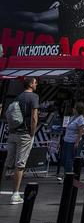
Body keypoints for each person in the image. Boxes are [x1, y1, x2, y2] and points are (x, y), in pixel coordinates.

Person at [6, 77, 39, 205]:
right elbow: (34, 117)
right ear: (31, 84)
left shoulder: (18, 97)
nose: (37, 84)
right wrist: (32, 132)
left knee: (7, 163)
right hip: (24, 134)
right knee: (20, 165)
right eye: (35, 82)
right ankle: (15, 194)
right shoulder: (34, 97)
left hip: (13, 132)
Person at [61, 102, 84, 175]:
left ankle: (68, 176)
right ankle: (66, 173)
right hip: (66, 140)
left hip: (72, 141)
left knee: (69, 159)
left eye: (75, 108)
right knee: (64, 158)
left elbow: (80, 131)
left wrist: (77, 142)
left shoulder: (81, 119)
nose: (73, 109)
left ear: (77, 109)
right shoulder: (72, 117)